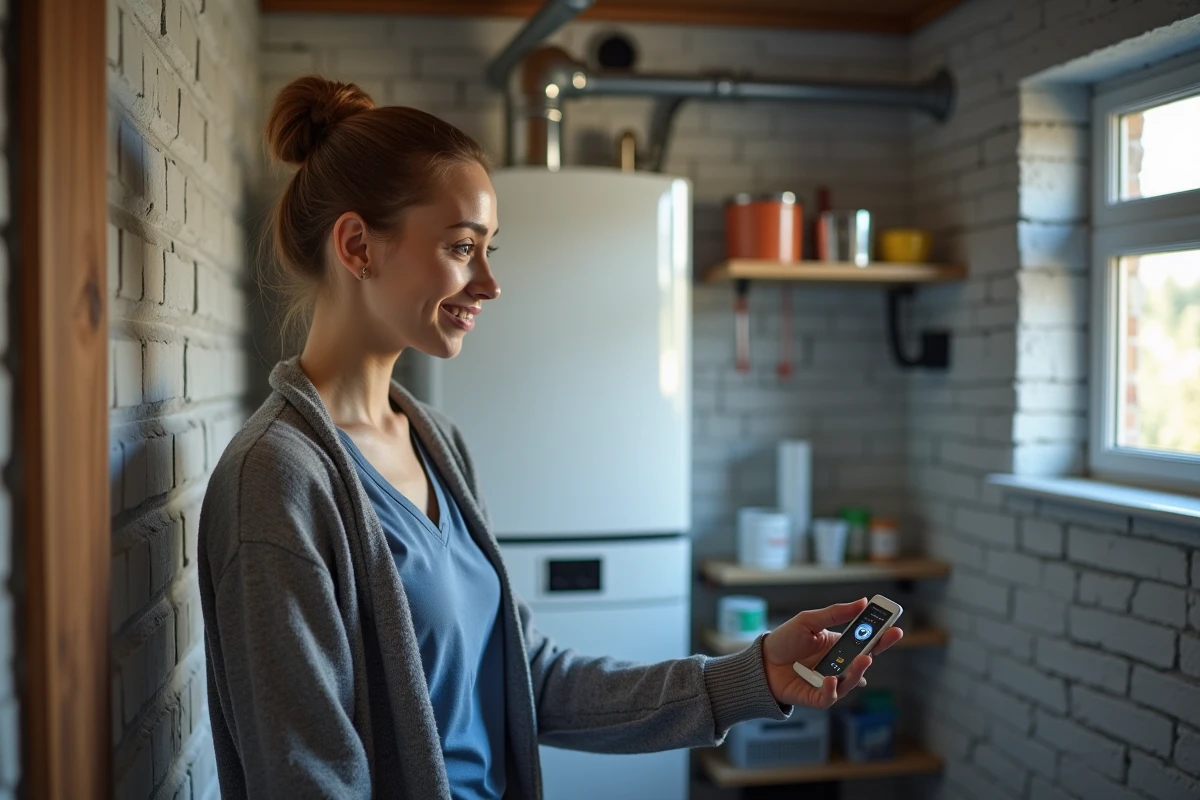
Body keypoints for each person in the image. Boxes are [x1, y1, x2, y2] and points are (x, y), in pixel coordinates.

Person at [197, 75, 902, 800]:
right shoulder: (276, 481)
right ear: (357, 246)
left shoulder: (437, 441)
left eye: (489, 248)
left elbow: (526, 678)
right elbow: (309, 780)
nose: (490, 282)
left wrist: (753, 677)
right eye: (462, 247)